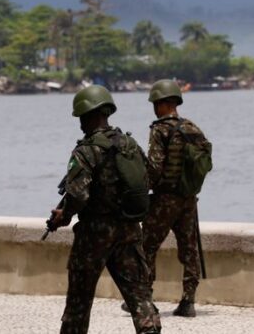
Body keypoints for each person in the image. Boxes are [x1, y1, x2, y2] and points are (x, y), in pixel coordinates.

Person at [47, 85, 161, 334]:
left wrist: (63, 216)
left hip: (94, 234)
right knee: (139, 297)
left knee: (79, 301)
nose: (79, 123)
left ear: (88, 115)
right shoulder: (129, 144)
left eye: (81, 117)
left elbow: (78, 194)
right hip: (130, 230)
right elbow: (148, 178)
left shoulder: (86, 150)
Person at [137, 79, 213, 318]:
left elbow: (156, 167)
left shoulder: (160, 129)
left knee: (146, 247)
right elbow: (205, 163)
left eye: (155, 103)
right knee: (189, 250)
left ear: (162, 104)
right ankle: (188, 301)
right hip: (189, 199)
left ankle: (144, 298)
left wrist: (142, 189)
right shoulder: (193, 128)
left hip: (164, 199)